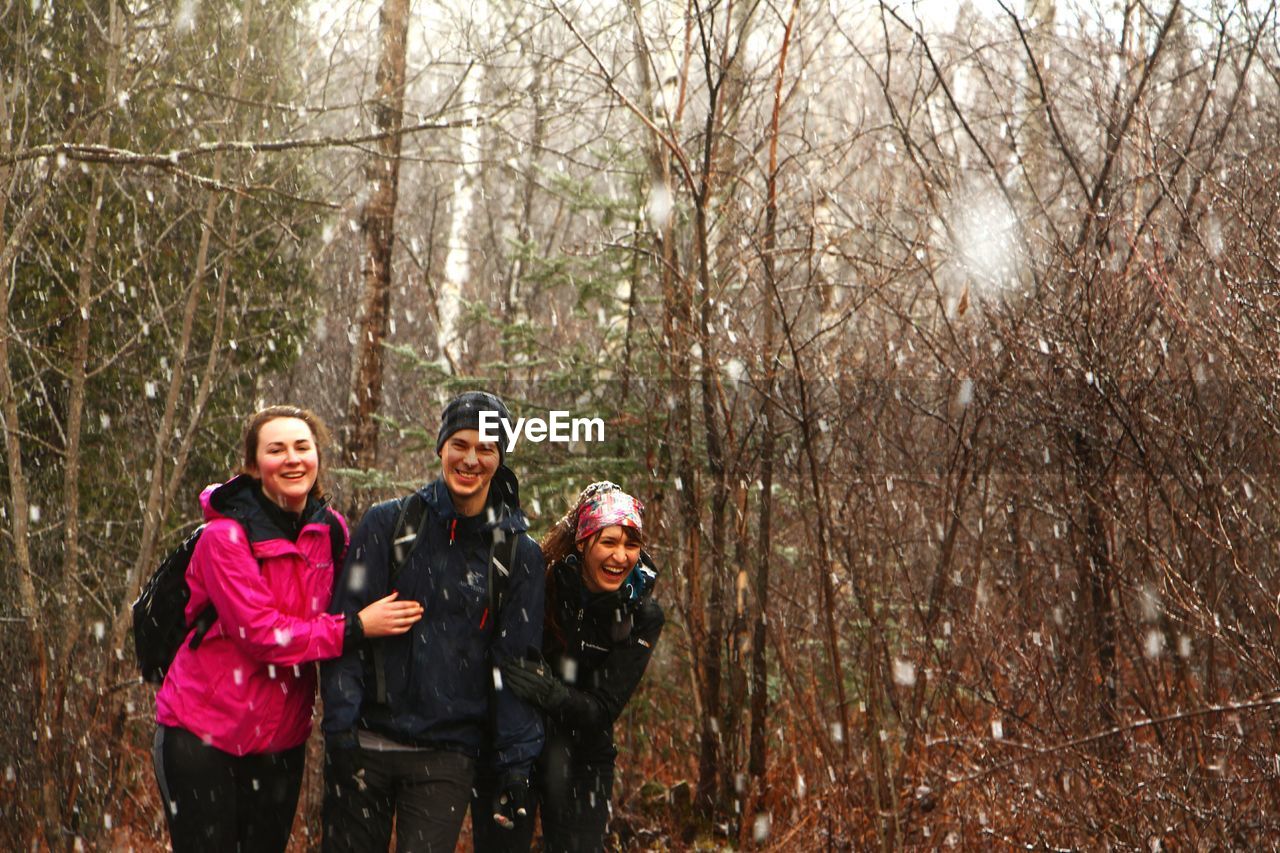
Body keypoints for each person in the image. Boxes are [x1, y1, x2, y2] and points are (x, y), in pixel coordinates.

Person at [153, 405, 423, 853]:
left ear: (317, 456)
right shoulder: (224, 538)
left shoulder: (330, 531)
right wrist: (355, 628)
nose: (292, 458)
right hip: (200, 733)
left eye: (302, 446)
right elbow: (261, 635)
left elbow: (356, 595)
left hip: (280, 740)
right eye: (276, 449)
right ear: (254, 465)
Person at [321, 390, 546, 852]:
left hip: (446, 757)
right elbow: (346, 627)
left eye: (486, 449)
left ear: (500, 459)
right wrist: (340, 730)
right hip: (367, 742)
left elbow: (516, 668)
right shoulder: (388, 525)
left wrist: (516, 763)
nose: (470, 459)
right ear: (441, 447)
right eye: (460, 444)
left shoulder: (517, 554)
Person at [474, 481, 664, 853]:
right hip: (517, 747)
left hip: (584, 758)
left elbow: (604, 708)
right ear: (582, 542)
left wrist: (552, 693)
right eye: (608, 542)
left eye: (631, 545)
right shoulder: (542, 579)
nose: (621, 557)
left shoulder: (642, 614)